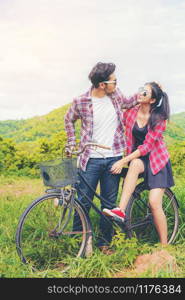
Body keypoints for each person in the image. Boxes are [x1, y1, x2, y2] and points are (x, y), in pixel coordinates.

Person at [64, 62, 138, 253]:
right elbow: (68, 120)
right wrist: (72, 142)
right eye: (114, 80)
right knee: (83, 202)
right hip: (90, 159)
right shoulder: (81, 101)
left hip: (114, 158)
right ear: (102, 84)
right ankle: (78, 244)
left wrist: (145, 94)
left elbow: (129, 102)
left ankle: (104, 243)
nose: (116, 83)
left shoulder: (116, 96)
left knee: (108, 204)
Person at [103, 82, 174, 245]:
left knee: (154, 204)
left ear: (152, 100)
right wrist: (111, 83)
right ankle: (120, 211)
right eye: (140, 90)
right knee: (134, 164)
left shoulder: (159, 119)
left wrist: (122, 161)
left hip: (157, 161)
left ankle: (165, 245)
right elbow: (118, 103)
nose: (140, 93)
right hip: (139, 159)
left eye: (145, 93)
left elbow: (147, 147)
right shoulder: (130, 113)